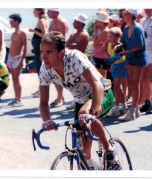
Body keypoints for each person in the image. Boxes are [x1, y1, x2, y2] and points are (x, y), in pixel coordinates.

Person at [39, 31, 120, 170]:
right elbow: (43, 102)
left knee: (84, 113)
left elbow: (97, 84)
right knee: (83, 155)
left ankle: (109, 151)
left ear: (61, 53)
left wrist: (93, 112)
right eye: (42, 52)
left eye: (49, 53)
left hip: (102, 92)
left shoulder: (75, 58)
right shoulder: (45, 69)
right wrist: (47, 120)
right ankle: (91, 167)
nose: (44, 57)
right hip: (81, 100)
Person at [119, 9, 147, 121]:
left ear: (130, 15)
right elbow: (124, 42)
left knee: (135, 83)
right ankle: (135, 110)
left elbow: (140, 46)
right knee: (131, 83)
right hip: (130, 58)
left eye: (125, 14)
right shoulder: (126, 28)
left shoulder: (138, 28)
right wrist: (119, 46)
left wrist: (127, 52)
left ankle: (133, 110)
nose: (123, 15)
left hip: (138, 58)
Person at [65, 13, 90, 110]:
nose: (73, 23)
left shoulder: (84, 34)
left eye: (75, 21)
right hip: (72, 61)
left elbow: (80, 48)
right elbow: (68, 44)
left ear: (80, 23)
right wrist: (72, 45)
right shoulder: (73, 34)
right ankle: (76, 101)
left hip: (80, 62)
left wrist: (72, 45)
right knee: (75, 83)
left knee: (82, 83)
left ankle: (82, 102)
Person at [47, 8, 69, 108]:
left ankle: (60, 98)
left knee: (59, 75)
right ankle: (60, 97)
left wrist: (59, 54)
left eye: (49, 11)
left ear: (55, 12)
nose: (47, 13)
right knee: (54, 75)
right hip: (51, 52)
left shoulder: (61, 22)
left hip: (58, 52)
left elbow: (62, 39)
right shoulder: (52, 22)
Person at [105, 27, 128, 117]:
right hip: (115, 66)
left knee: (116, 87)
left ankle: (116, 108)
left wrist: (107, 60)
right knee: (117, 87)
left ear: (118, 37)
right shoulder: (109, 44)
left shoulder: (119, 46)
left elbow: (115, 58)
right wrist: (105, 52)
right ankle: (123, 106)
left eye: (113, 36)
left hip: (121, 66)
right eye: (110, 36)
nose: (111, 38)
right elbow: (110, 56)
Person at [6, 13, 27, 107]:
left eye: (12, 21)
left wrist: (22, 60)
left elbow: (25, 46)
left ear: (16, 21)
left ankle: (19, 99)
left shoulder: (22, 33)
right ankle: (16, 98)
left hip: (18, 57)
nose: (10, 22)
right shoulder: (14, 33)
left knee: (16, 78)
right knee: (14, 79)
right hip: (11, 57)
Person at [29, 8, 48, 98]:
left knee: (40, 69)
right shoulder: (41, 20)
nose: (33, 12)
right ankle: (40, 89)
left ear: (39, 11)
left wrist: (34, 31)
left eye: (34, 10)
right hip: (37, 48)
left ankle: (42, 90)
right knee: (39, 69)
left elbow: (44, 35)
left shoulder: (41, 21)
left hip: (39, 48)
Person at [92, 10, 110, 78]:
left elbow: (95, 44)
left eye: (97, 21)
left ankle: (107, 89)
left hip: (102, 58)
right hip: (98, 57)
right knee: (99, 78)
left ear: (102, 22)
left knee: (102, 78)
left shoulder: (105, 31)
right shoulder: (101, 30)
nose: (96, 22)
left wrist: (95, 32)